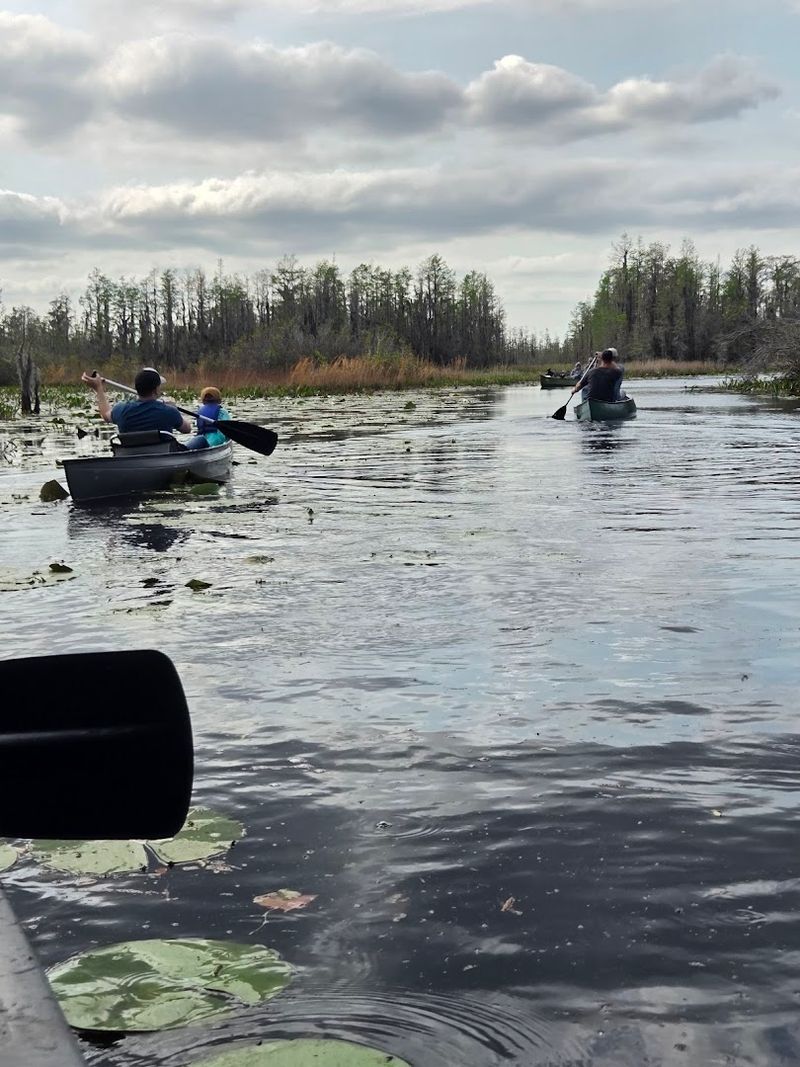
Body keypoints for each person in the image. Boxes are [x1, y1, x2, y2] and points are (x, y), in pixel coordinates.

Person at [81, 367, 192, 435]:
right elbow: (187, 429)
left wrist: (98, 389)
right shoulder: (169, 411)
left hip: (131, 459)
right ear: (156, 389)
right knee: (200, 441)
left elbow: (105, 414)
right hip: (161, 458)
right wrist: (173, 408)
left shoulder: (121, 409)